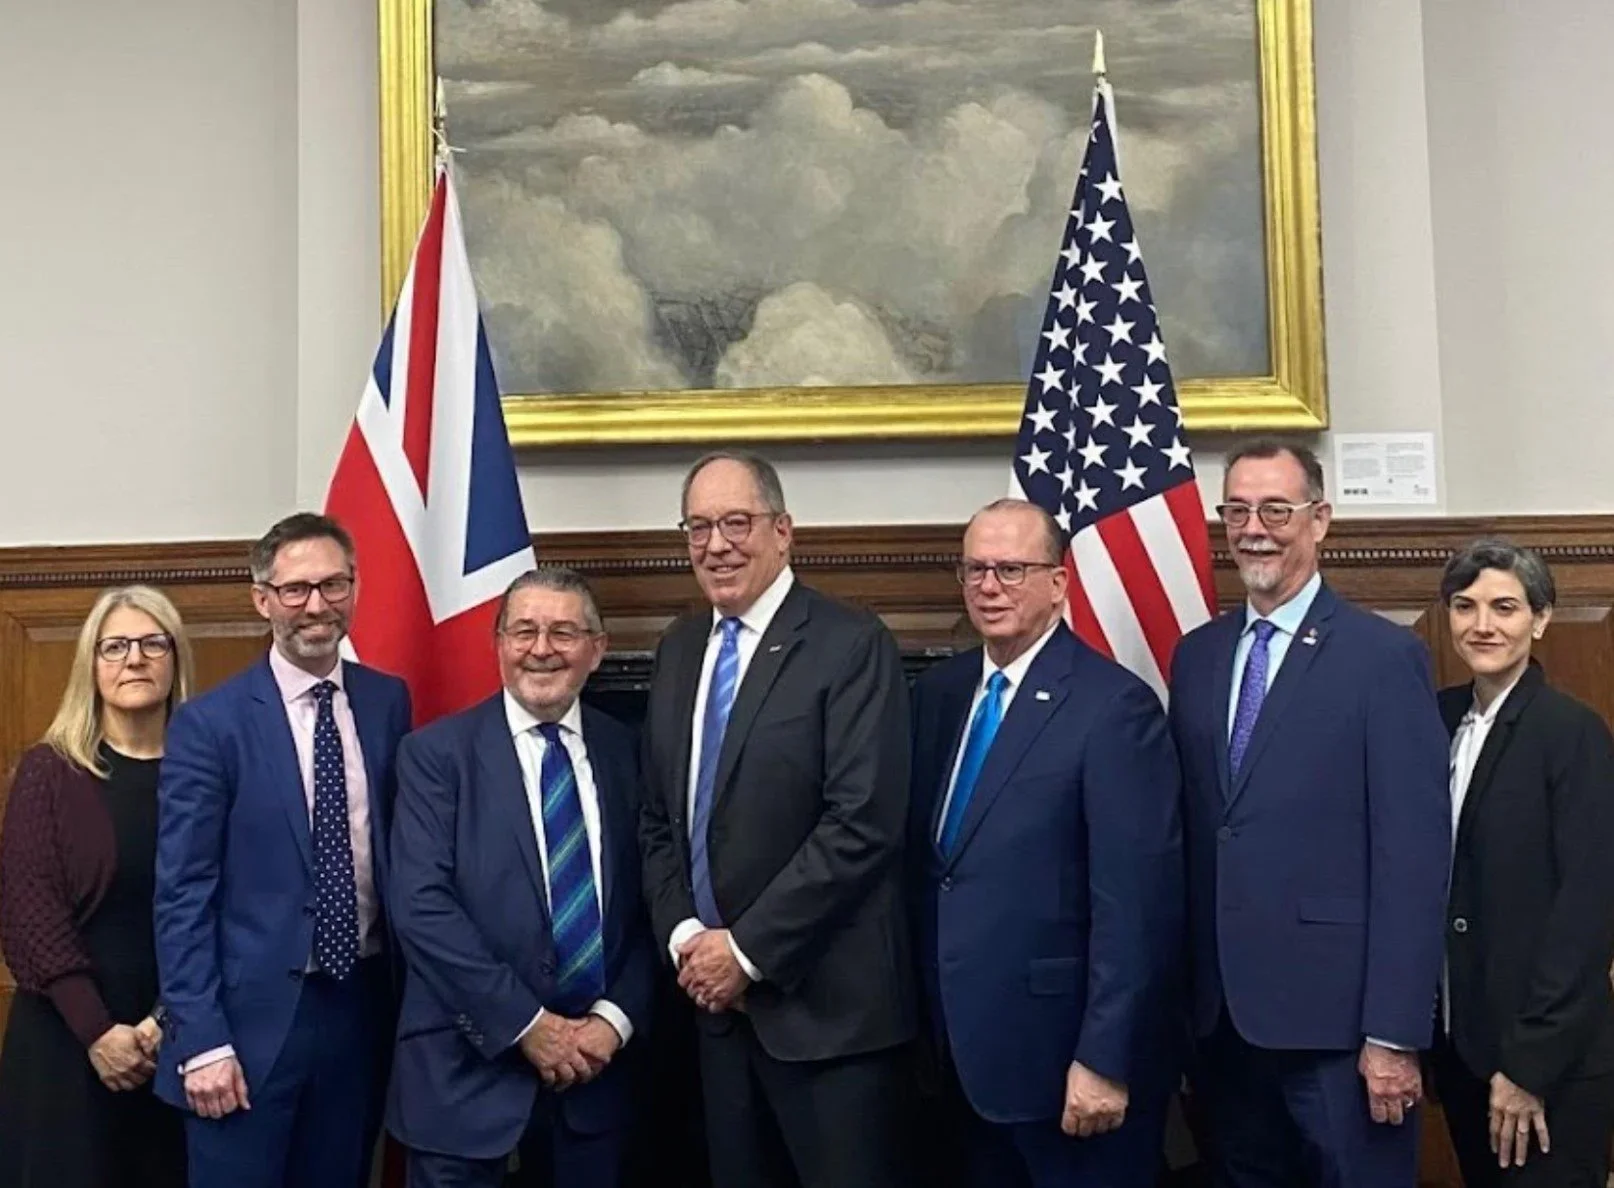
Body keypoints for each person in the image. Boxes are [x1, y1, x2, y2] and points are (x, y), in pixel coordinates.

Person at [1168, 439, 1450, 1187]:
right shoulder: (1197, 658)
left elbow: (1413, 859)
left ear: (1319, 520)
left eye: (1275, 510)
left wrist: (1393, 1032)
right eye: (1236, 511)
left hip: (1341, 1031)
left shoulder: (1380, 658)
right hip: (1224, 1026)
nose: (1253, 529)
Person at [638, 450, 914, 1188]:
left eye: (737, 523)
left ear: (783, 531)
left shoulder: (850, 643)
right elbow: (657, 818)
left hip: (828, 1021)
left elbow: (862, 824)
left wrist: (745, 951)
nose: (717, 545)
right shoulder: (679, 648)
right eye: (699, 527)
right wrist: (688, 938)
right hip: (712, 1016)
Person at [908, 499, 1184, 1188]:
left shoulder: (1113, 707)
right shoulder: (940, 693)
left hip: (1066, 1065)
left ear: (1058, 583)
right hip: (955, 1058)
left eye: (1011, 569)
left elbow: (1136, 907)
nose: (989, 587)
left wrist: (1104, 1058)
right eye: (975, 570)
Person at [153, 513, 412, 1188]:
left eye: (333, 585)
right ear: (262, 599)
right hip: (245, 1027)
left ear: (355, 588)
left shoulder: (387, 702)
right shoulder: (210, 725)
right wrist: (201, 1038)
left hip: (361, 1007)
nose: (316, 605)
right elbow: (182, 894)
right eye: (295, 589)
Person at [386, 567, 654, 1187]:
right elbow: (421, 906)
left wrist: (613, 1021)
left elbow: (655, 900)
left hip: (597, 1083)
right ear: (498, 643)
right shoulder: (436, 755)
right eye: (524, 631)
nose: (541, 649)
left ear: (597, 648)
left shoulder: (630, 753)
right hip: (463, 1084)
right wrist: (528, 1025)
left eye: (563, 632)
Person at [1429, 539, 1614, 1187]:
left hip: (1547, 1062)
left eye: (1504, 607)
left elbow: (1586, 914)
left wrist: (1529, 1067)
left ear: (1540, 619)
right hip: (1461, 1048)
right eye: (1465, 606)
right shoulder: (1435, 719)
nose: (1482, 625)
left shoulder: (1572, 734)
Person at [0, 586, 193, 1188]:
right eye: (115, 646)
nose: (134, 658)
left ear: (176, 658)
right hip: (65, 1042)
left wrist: (162, 1021)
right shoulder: (49, 772)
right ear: (91, 664)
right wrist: (98, 1031)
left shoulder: (206, 772)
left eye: (153, 643)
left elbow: (228, 908)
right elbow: (31, 915)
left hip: (179, 1042)